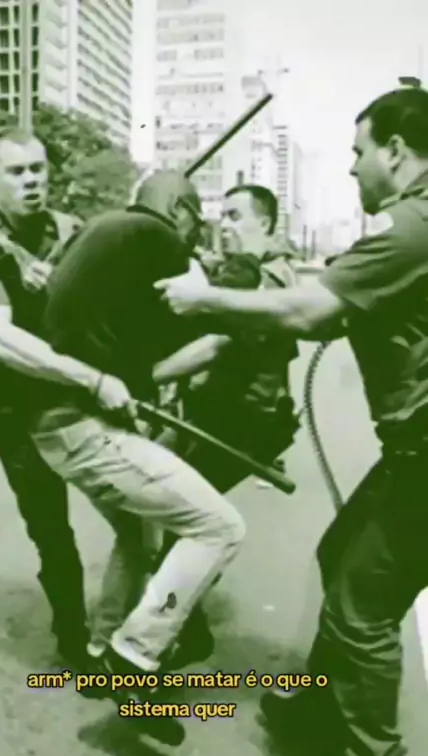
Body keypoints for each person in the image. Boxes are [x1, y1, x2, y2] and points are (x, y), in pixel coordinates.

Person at [157, 86, 428, 756]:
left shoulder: (412, 227)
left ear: (396, 151)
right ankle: (325, 707)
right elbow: (334, 313)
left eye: (359, 151)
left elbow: (310, 310)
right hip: (413, 450)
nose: (352, 167)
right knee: (341, 557)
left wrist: (204, 299)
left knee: (363, 605)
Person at [0, 165, 246, 745]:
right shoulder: (151, 234)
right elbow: (198, 304)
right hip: (73, 422)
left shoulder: (90, 235)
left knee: (136, 533)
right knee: (220, 527)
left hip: (50, 420)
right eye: (196, 220)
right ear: (180, 211)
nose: (195, 234)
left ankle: (99, 645)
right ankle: (133, 656)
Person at [0, 126, 90, 668]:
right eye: (15, 171)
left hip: (28, 401)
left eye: (37, 169)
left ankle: (75, 640)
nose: (31, 181)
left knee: (51, 526)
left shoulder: (70, 234)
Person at [151, 184, 300, 669]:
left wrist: (144, 377)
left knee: (185, 522)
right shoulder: (241, 272)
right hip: (214, 414)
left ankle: (172, 634)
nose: (226, 225)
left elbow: (218, 344)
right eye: (223, 214)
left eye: (236, 215)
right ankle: (176, 620)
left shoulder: (269, 279)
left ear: (266, 223)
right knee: (162, 503)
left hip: (247, 422)